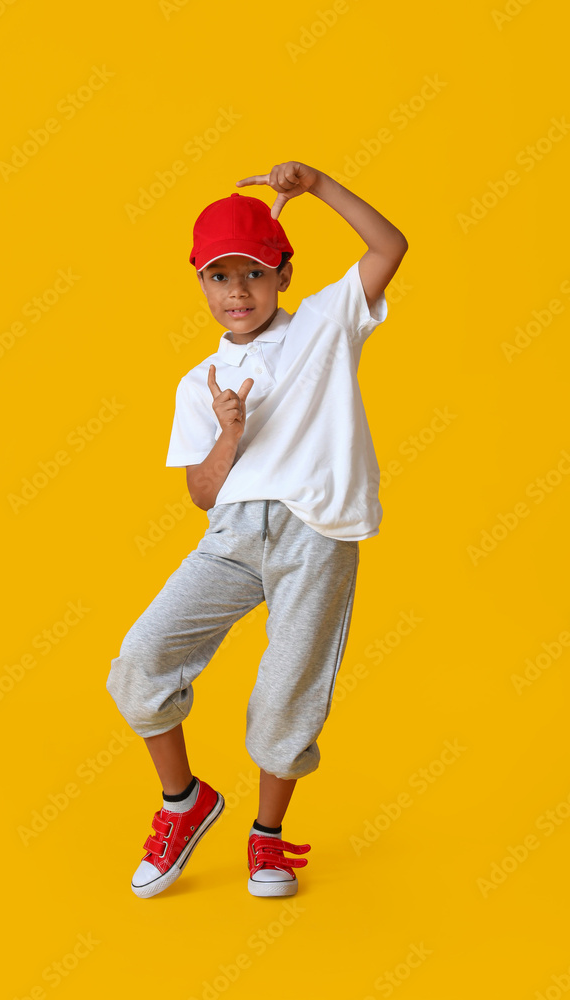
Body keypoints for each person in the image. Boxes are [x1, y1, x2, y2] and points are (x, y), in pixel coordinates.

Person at [107, 161, 408, 899]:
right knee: (142, 659)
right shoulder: (197, 384)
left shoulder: (325, 326)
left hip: (316, 534)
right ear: (201, 284)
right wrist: (228, 437)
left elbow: (390, 247)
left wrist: (321, 188)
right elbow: (202, 495)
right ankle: (186, 804)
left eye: (253, 273)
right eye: (219, 277)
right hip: (234, 537)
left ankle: (267, 841)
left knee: (287, 694)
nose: (236, 292)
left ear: (282, 272)